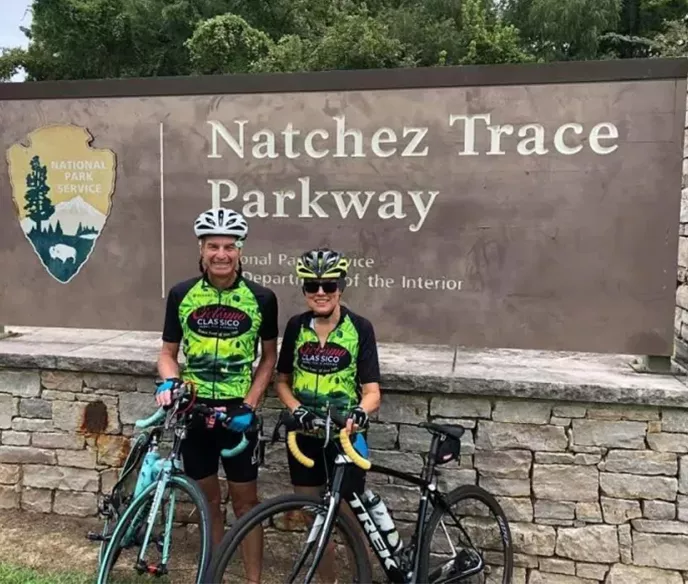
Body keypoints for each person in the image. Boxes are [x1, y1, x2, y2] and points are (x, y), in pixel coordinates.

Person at [155, 207, 278, 583]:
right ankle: (214, 577)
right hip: (194, 413)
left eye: (229, 246)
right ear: (201, 249)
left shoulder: (262, 298)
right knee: (208, 503)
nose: (221, 254)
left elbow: (269, 356)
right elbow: (167, 353)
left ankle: (253, 580)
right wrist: (169, 382)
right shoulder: (181, 294)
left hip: (237, 416)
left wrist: (251, 404)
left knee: (246, 504)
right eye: (213, 246)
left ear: (240, 250)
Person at [275, 247, 381, 579]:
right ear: (304, 289)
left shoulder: (360, 328)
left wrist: (360, 414)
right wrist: (298, 409)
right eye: (312, 285)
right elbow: (282, 382)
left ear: (341, 287)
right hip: (304, 440)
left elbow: (372, 392)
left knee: (351, 520)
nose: (320, 292)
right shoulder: (295, 326)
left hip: (345, 439)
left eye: (329, 285)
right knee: (313, 519)